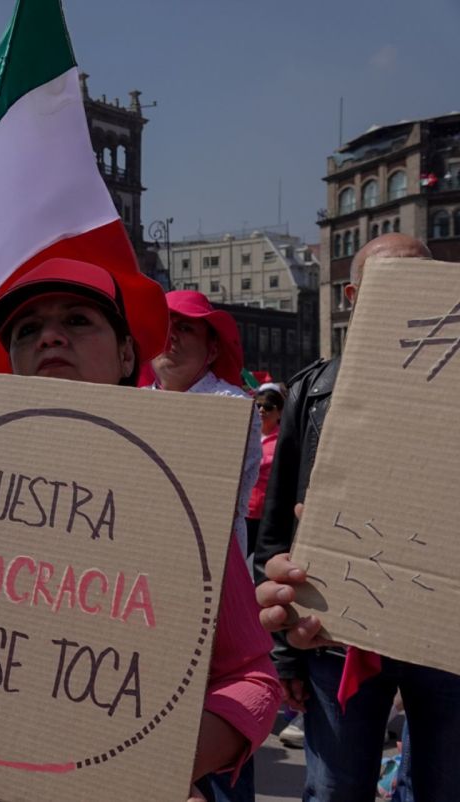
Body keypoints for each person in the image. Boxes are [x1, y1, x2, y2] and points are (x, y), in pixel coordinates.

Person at [0, 258, 281, 802]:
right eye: (27, 330)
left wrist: (148, 762)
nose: (50, 335)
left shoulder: (178, 497)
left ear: (127, 355)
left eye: (77, 320)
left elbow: (254, 680)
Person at [254, 233, 458, 802]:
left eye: (421, 279)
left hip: (444, 643)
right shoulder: (311, 391)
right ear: (353, 295)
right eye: (391, 283)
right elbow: (275, 533)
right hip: (335, 636)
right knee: (335, 789)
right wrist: (286, 652)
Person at [146, 290, 259, 559]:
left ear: (213, 350)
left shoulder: (231, 405)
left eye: (184, 327)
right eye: (164, 326)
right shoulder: (134, 402)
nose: (170, 335)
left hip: (210, 555)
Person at [245, 384, 283, 557]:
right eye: (258, 405)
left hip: (266, 514)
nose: (261, 410)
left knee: (262, 563)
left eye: (268, 407)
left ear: (280, 413)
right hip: (243, 510)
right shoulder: (247, 433)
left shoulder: (283, 440)